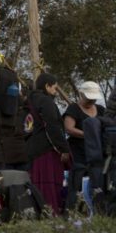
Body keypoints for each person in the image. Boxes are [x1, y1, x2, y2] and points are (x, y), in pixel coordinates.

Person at [25, 73, 71, 216]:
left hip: (32, 149)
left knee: (38, 184)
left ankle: (39, 212)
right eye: (54, 88)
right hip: (47, 151)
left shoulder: (28, 102)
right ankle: (51, 213)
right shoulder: (46, 102)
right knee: (49, 184)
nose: (55, 92)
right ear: (47, 86)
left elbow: (26, 127)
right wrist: (63, 149)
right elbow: (52, 127)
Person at [63, 81, 104, 212]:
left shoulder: (101, 110)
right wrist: (89, 134)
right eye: (88, 98)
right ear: (81, 94)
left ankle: (98, 208)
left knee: (97, 180)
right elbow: (69, 129)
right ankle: (75, 210)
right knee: (78, 181)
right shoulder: (73, 109)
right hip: (78, 153)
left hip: (97, 153)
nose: (91, 101)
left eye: (93, 98)